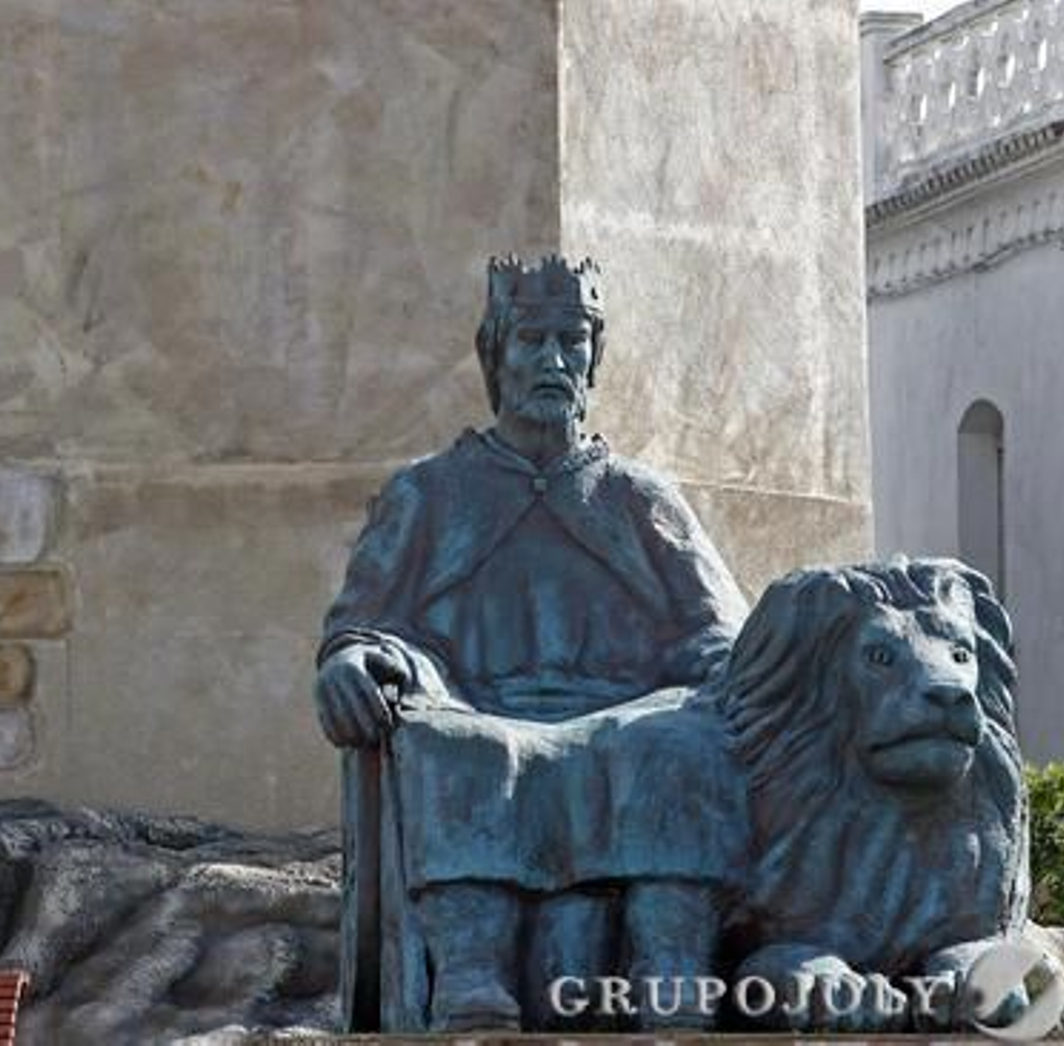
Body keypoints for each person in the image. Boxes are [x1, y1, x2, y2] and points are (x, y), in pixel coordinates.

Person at [317, 254, 751, 1031]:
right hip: (480, 710)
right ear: (496, 354)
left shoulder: (638, 494)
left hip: (630, 714)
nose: (554, 358)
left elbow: (721, 631)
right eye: (532, 339)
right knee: (459, 747)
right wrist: (351, 660)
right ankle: (472, 975)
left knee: (676, 743)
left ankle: (669, 971)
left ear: (594, 354)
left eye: (572, 338)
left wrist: (715, 675)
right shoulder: (429, 492)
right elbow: (364, 618)